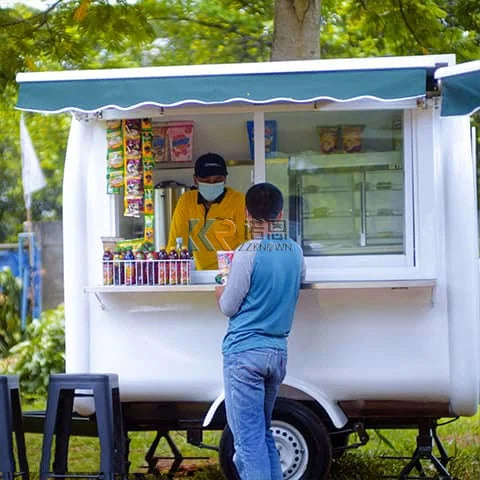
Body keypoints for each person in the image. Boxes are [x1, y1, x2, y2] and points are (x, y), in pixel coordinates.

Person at [215, 182, 306, 480]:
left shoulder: (247, 252)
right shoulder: (294, 251)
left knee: (248, 443)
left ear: (245, 213)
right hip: (277, 353)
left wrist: (220, 291)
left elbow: (229, 306)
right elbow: (298, 284)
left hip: (244, 354)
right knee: (262, 434)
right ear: (280, 215)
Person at [167, 152, 247, 270]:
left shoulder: (239, 201)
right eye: (206, 180)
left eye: (217, 180)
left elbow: (245, 244)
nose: (212, 184)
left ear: (225, 179)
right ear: (195, 180)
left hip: (232, 272)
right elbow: (176, 242)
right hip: (201, 275)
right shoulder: (187, 201)